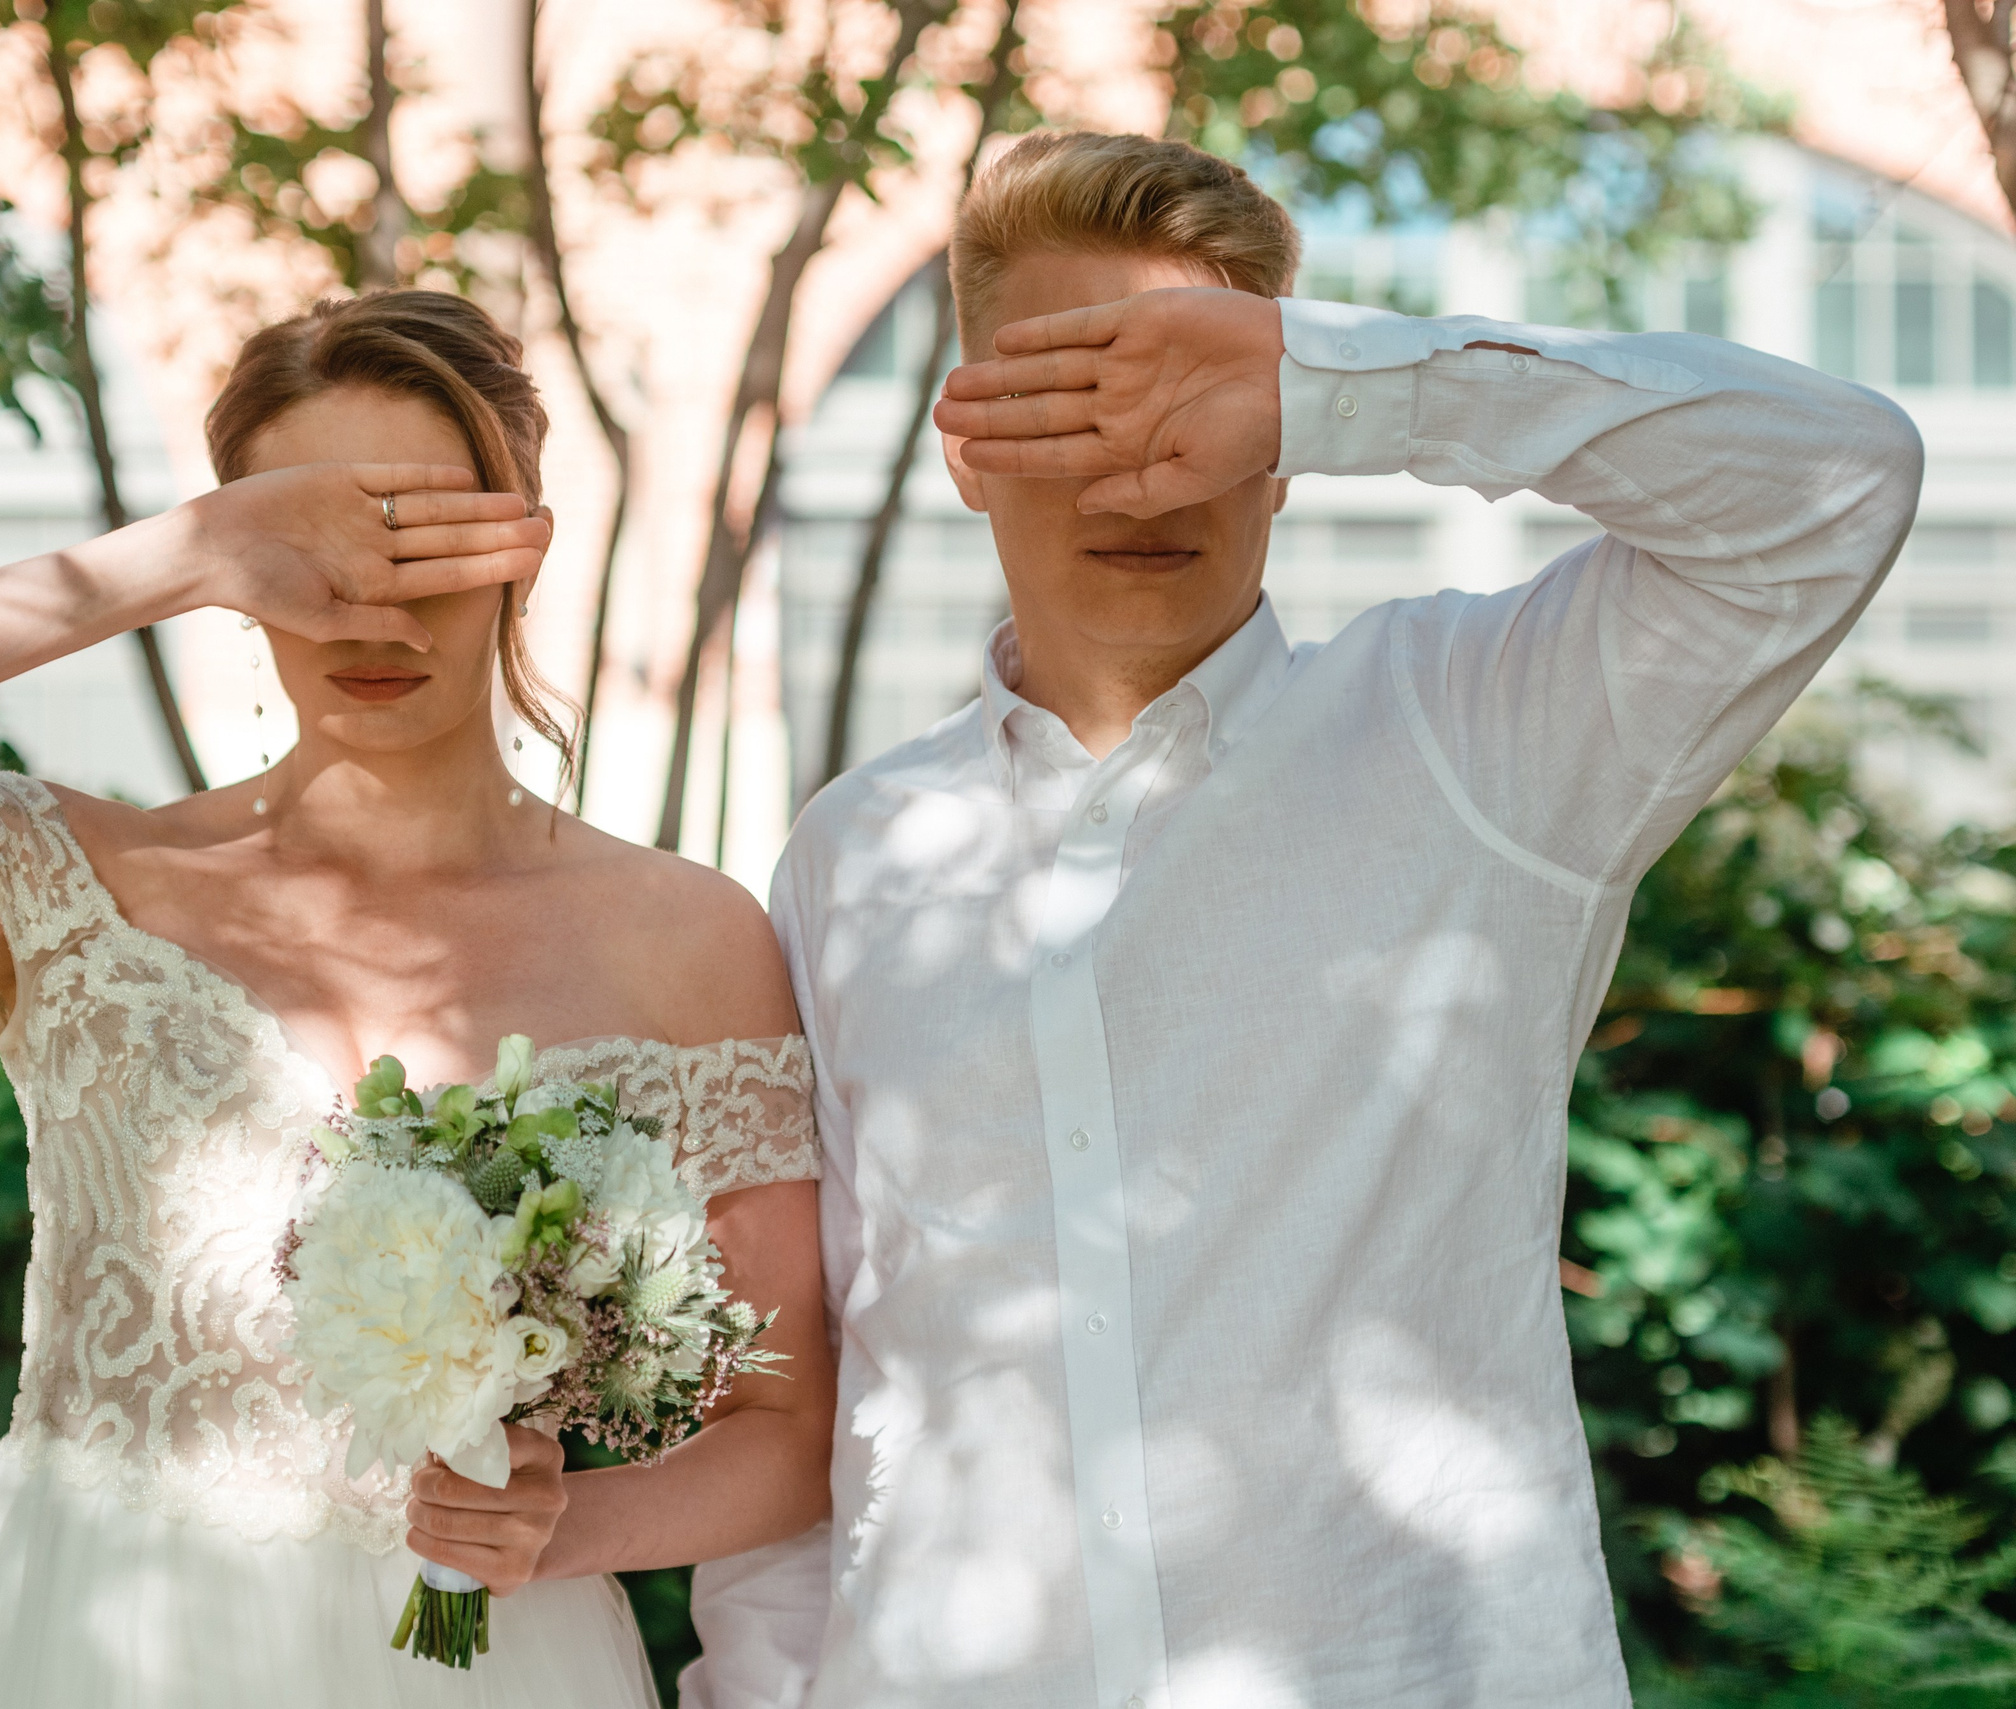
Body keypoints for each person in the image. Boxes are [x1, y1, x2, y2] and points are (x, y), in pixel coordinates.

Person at [681, 131, 1923, 1709]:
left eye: (1187, 401)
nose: (1142, 466)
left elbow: (1838, 481)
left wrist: (1348, 385)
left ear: (1279, 439)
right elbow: (828, 1370)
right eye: (1075, 396)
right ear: (971, 444)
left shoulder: (1485, 737)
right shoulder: (852, 852)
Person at [0, 290, 836, 1709]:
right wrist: (171, 558)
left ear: (520, 539)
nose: (371, 602)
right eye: (313, 545)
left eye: (419, 536)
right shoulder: (89, 886)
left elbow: (788, 1427)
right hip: (88, 1653)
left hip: (484, 1664)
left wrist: (566, 1524)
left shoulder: (688, 940)